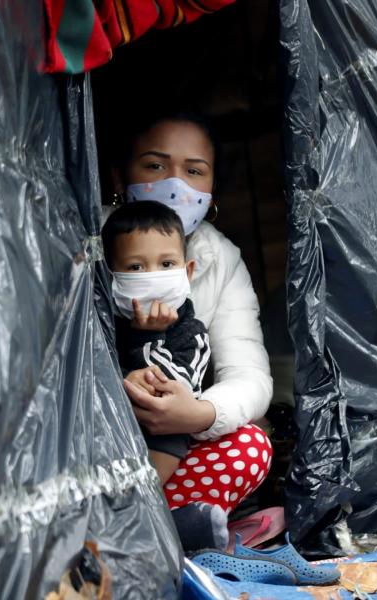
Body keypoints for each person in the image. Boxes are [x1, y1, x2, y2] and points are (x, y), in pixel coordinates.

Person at [107, 111, 273, 550]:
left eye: (194, 171)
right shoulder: (87, 239)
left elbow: (251, 377)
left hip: (173, 437)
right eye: (155, 166)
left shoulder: (221, 259)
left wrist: (197, 415)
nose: (175, 184)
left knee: (251, 446)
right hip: (98, 436)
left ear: (212, 188)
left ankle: (147, 528)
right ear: (119, 177)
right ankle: (163, 531)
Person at [102, 200, 211, 485]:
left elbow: (177, 390)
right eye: (136, 267)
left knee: (170, 438)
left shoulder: (192, 333)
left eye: (166, 264)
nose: (152, 276)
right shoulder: (100, 320)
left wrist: (148, 338)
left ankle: (149, 504)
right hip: (108, 432)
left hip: (161, 434)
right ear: (111, 275)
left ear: (187, 272)